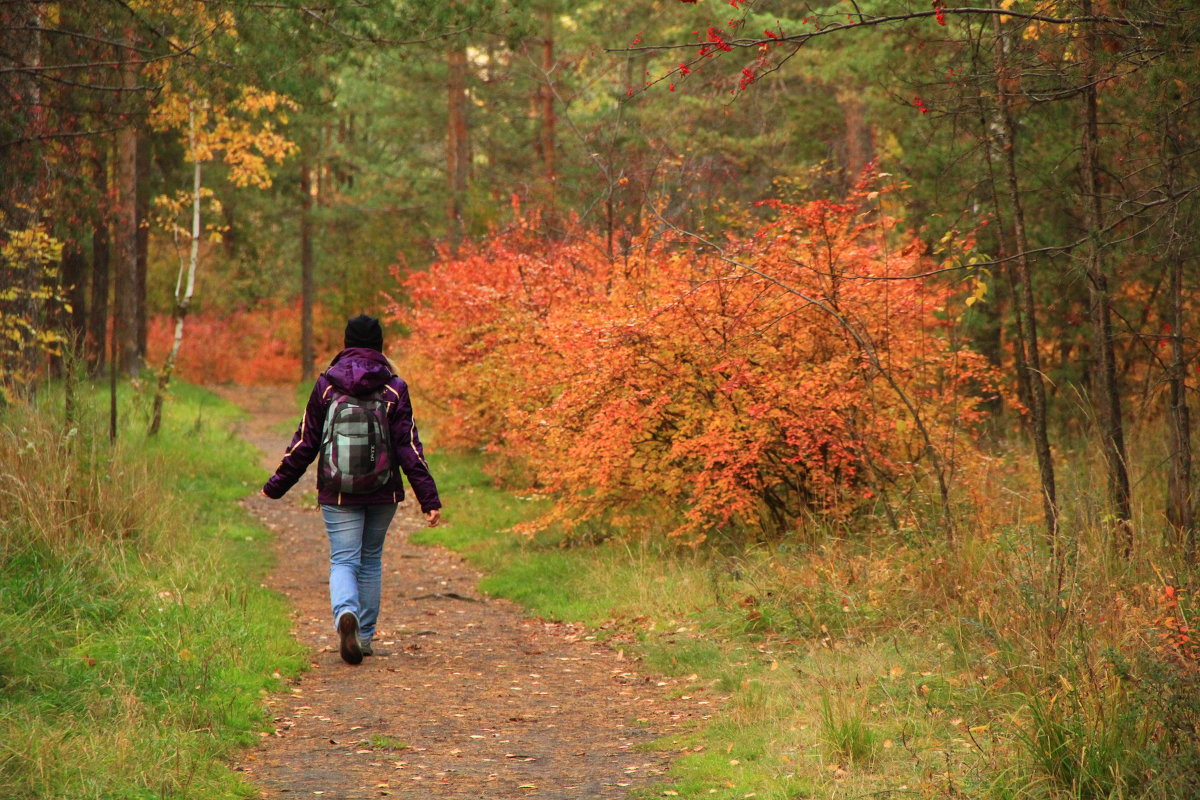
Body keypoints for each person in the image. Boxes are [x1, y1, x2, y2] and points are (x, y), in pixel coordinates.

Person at [262, 314, 442, 665]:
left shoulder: (327, 385)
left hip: (337, 489)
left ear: (346, 343)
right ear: (380, 345)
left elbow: (306, 442)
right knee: (370, 559)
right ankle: (364, 636)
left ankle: (346, 613)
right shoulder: (394, 388)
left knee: (344, 558)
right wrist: (428, 499)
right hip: (383, 489)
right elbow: (408, 447)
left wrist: (277, 485)